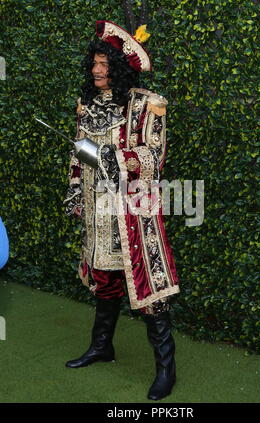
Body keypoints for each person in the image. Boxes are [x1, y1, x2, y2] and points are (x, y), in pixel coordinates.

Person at [63, 20, 180, 401]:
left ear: (120, 66)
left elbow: (154, 158)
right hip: (97, 212)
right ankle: (102, 346)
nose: (96, 70)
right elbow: (77, 156)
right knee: (104, 278)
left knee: (148, 290)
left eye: (103, 63)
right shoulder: (87, 105)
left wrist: (113, 156)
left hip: (132, 210)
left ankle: (166, 369)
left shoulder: (148, 103)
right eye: (94, 63)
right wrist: (76, 192)